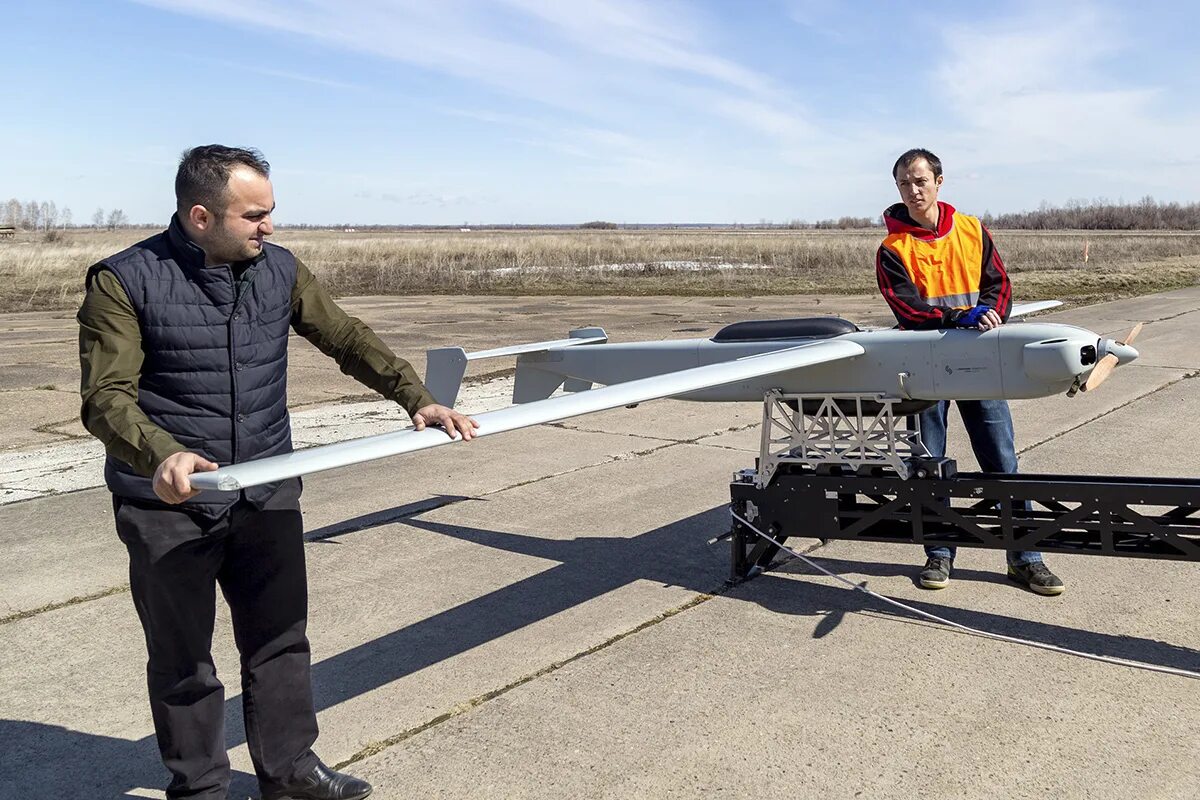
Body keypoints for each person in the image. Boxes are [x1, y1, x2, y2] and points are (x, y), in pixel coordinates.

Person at [78, 145, 479, 800]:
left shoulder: (280, 270)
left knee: (280, 640)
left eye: (271, 212)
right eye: (255, 215)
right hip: (169, 504)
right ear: (202, 216)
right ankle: (201, 788)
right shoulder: (123, 280)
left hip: (265, 488)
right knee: (184, 660)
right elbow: (106, 398)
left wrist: (417, 397)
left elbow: (346, 337)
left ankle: (292, 773)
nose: (269, 226)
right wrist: (161, 456)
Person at [875, 147, 1064, 596]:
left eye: (920, 180)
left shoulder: (972, 230)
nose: (913, 189)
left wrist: (990, 315)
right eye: (904, 182)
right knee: (929, 464)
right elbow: (906, 306)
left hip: (979, 363)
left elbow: (999, 285)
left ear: (939, 181)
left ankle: (1026, 558)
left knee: (1002, 460)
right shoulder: (891, 249)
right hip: (924, 369)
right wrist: (956, 317)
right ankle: (940, 553)